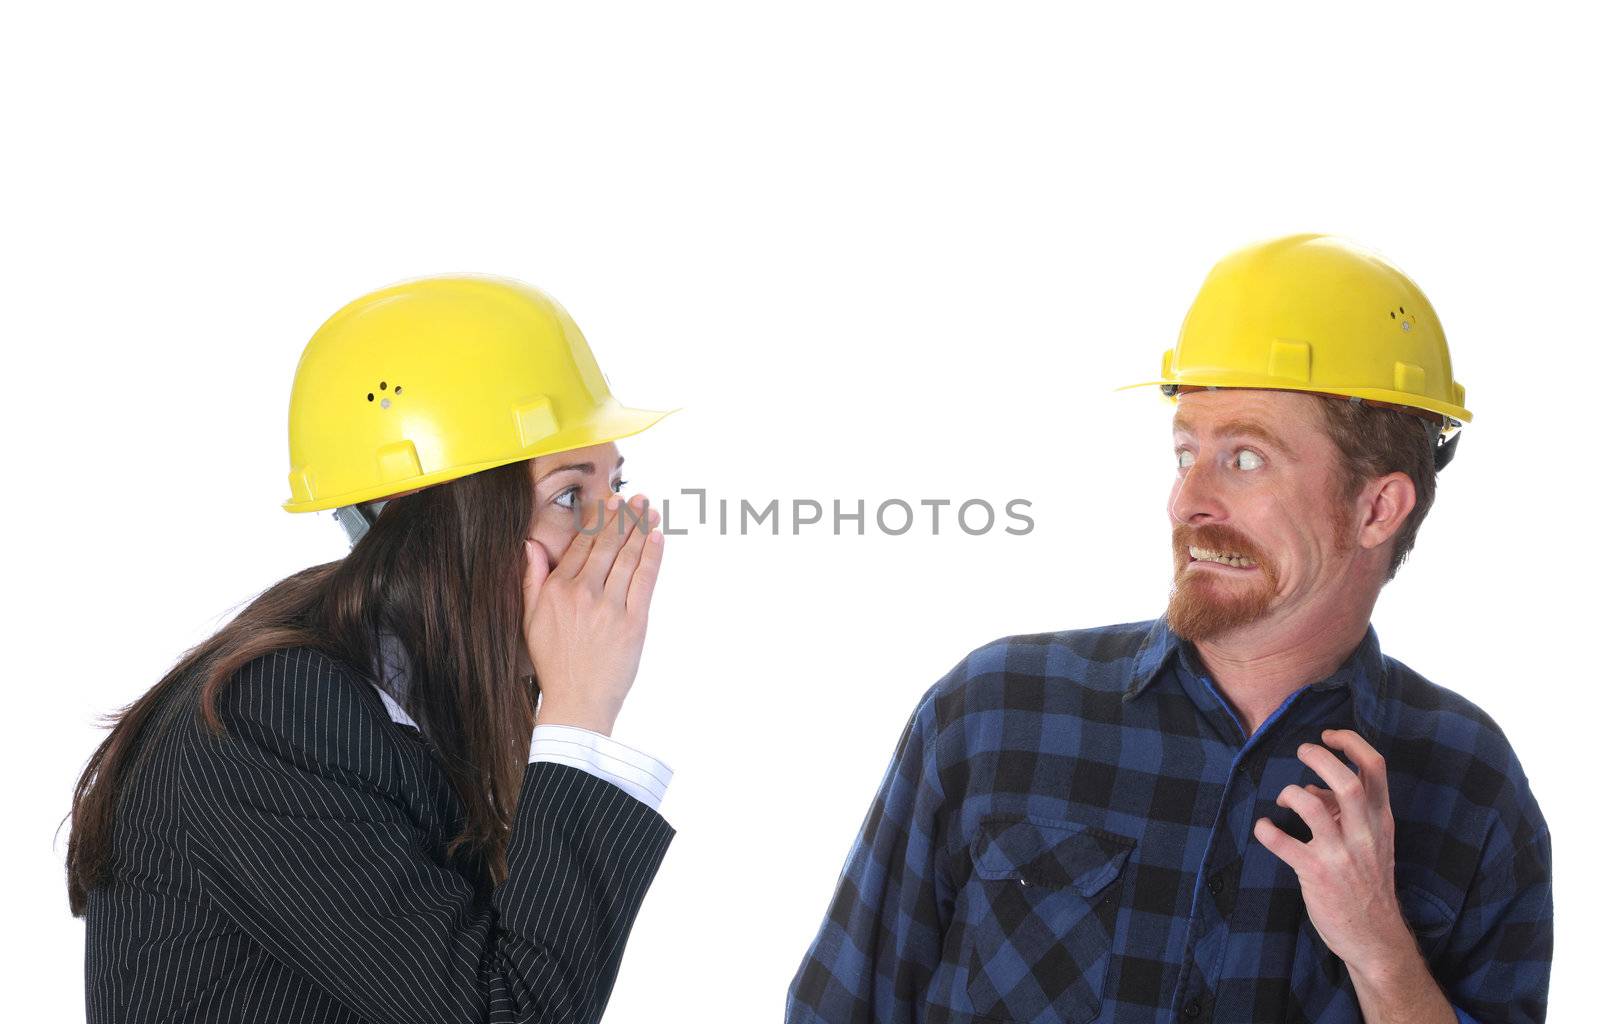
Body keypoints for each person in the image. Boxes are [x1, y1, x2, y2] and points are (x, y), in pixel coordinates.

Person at [785, 234, 1552, 1023]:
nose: (1186, 501)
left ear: (1378, 508)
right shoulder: (996, 714)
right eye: (1186, 450)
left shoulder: (1469, 786)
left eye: (1245, 458)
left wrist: (1379, 949)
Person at [67, 274, 679, 1023]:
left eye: (617, 486)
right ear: (433, 520)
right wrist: (583, 710)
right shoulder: (269, 720)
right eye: (568, 495)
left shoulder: (426, 697)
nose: (616, 534)